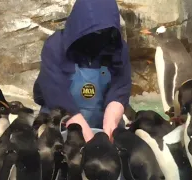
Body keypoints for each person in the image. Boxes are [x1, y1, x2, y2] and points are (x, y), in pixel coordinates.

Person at [33, 0, 132, 142]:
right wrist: (84, 133)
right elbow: (55, 92)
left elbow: (121, 86)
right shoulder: (55, 46)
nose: (98, 36)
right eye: (94, 31)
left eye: (104, 31)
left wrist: (110, 124)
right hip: (60, 128)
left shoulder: (116, 47)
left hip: (101, 127)